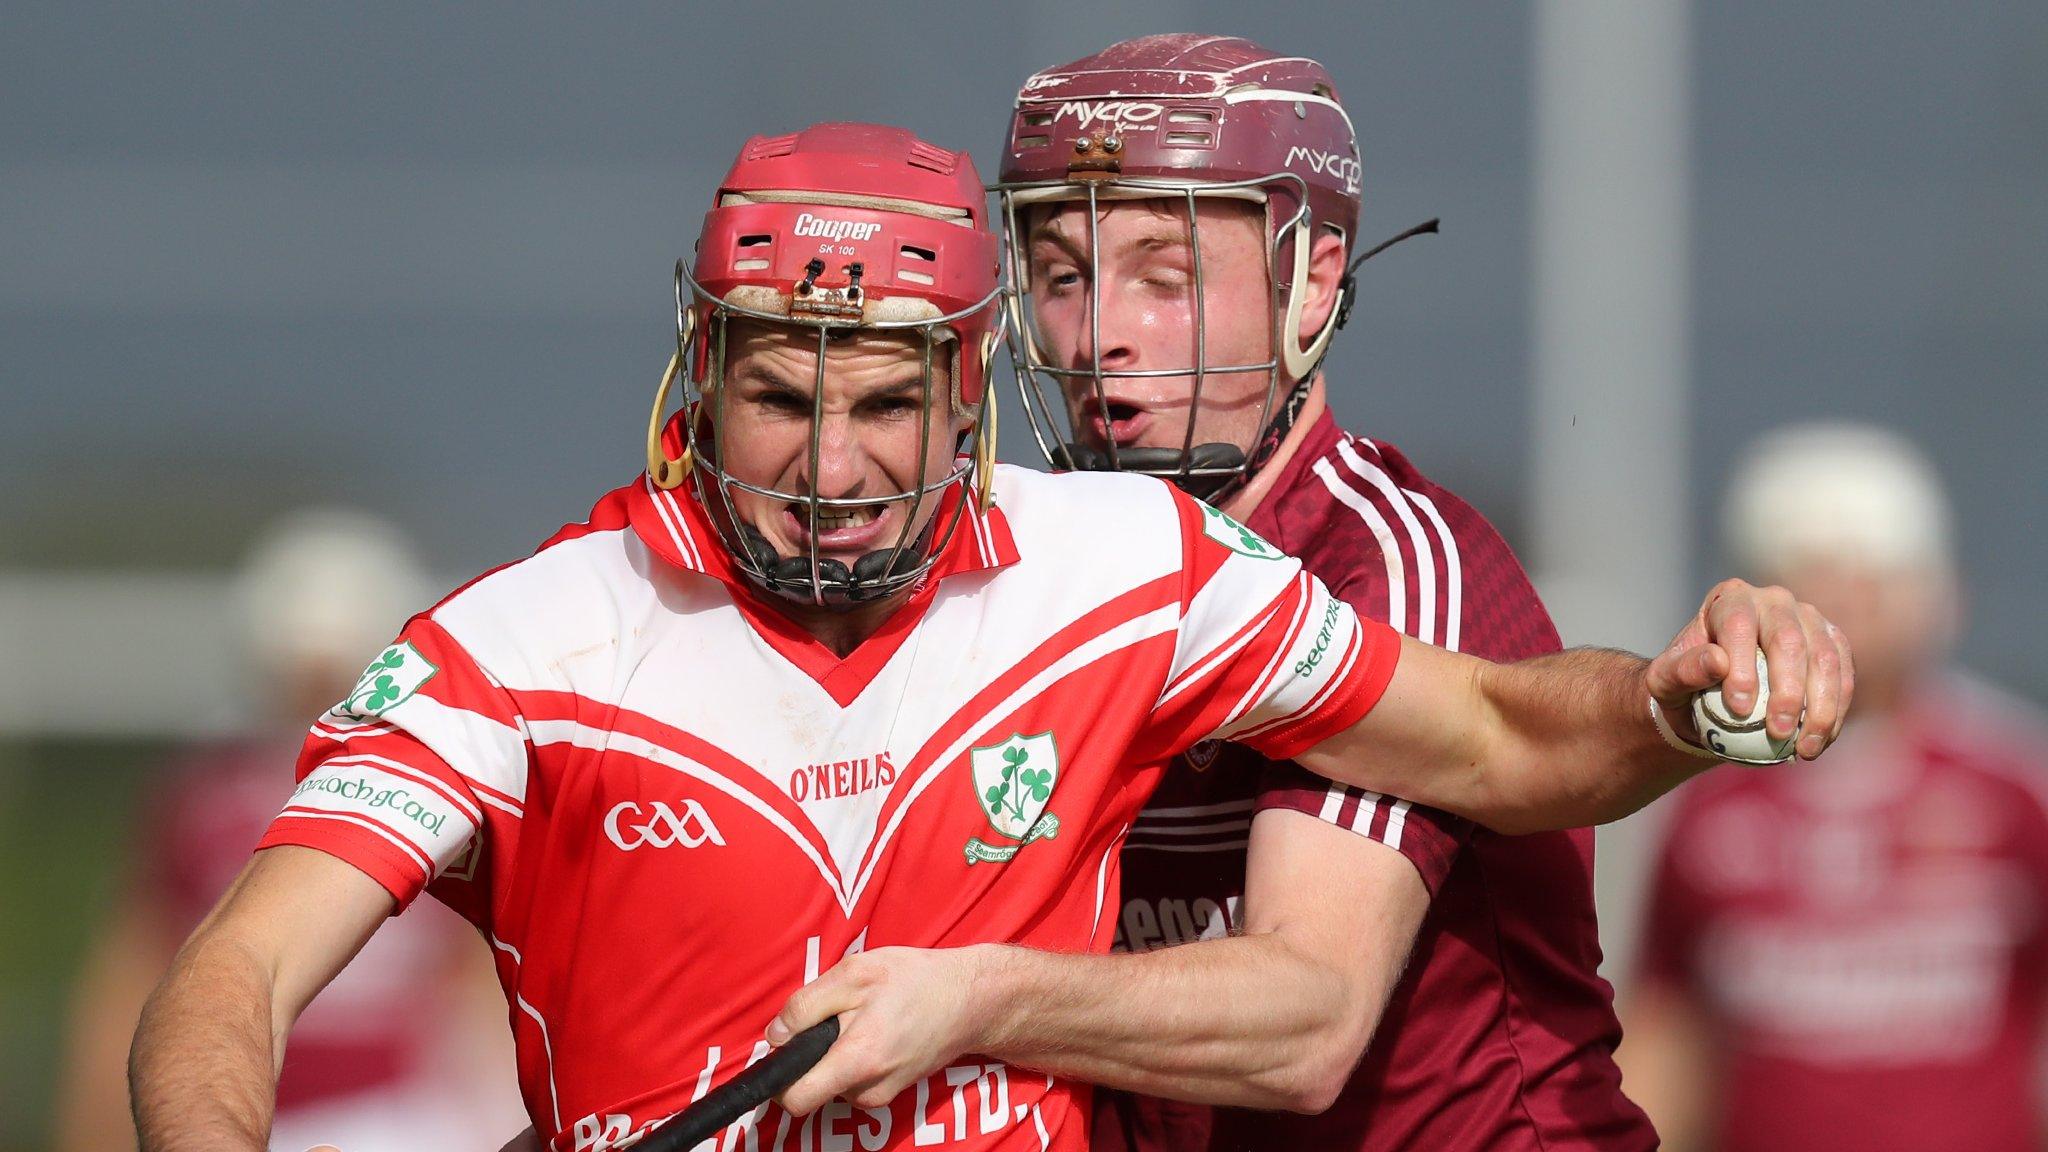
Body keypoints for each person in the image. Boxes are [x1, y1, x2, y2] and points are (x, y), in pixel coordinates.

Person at [128, 122, 1847, 1152]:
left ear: (969, 389)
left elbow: (1502, 738)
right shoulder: (520, 642)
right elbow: (229, 976)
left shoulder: (1129, 568)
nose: (830, 466)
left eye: (886, 402)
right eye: (780, 398)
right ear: (698, 376)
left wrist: (1680, 699)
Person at [769, 35, 1660, 1150]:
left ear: (1312, 283)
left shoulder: (1377, 561)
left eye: (1166, 274)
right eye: (1061, 276)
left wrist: (976, 1000)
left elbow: (1308, 1026)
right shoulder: (1015, 578)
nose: (1100, 335)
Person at [1621, 424, 2048, 1152]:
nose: (1849, 604)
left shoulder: (2013, 782)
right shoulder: (1711, 806)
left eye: (1874, 576)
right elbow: (1667, 1029)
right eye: (1814, 574)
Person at [53, 511, 522, 1151]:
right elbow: (132, 979)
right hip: (238, 1112)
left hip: (406, 1113)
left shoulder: (451, 783)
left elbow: (475, 980)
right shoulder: (205, 796)